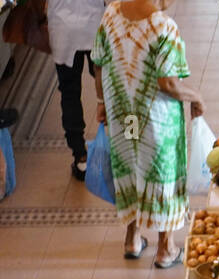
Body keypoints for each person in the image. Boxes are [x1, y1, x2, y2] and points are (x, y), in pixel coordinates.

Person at [91, 0, 203, 265]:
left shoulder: (111, 14)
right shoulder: (164, 26)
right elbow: (168, 83)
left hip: (125, 115)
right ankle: (166, 247)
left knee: (130, 163)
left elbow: (98, 64)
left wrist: (101, 102)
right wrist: (196, 97)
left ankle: (132, 237)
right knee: (160, 172)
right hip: (155, 121)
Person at [40, 0, 106, 181]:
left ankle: (80, 157)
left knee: (69, 93)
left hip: (63, 27)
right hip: (96, 24)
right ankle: (128, 142)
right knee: (112, 87)